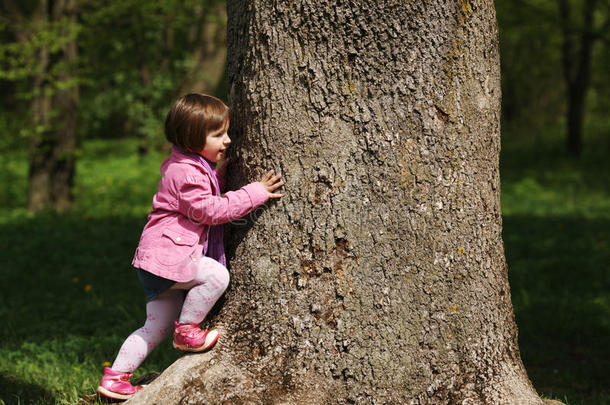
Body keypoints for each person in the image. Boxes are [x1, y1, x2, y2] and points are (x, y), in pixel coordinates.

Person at [97, 94, 284, 400]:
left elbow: (204, 189)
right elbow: (211, 210)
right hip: (168, 261)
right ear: (191, 137)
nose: (227, 140)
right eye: (218, 134)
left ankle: (116, 376)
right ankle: (186, 330)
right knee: (217, 276)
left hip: (158, 264)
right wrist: (255, 192)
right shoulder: (183, 172)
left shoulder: (188, 164)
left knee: (153, 328)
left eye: (226, 132)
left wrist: (223, 174)